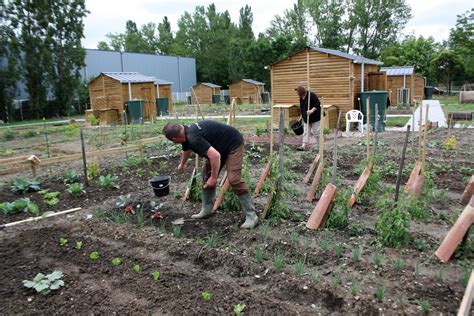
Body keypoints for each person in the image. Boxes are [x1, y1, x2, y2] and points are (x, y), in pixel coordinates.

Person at [162, 120, 258, 229]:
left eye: (173, 141)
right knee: (206, 176)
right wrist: (182, 164)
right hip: (219, 147)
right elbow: (186, 148)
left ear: (175, 139)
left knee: (234, 179)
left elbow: (215, 156)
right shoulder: (185, 132)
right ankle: (207, 209)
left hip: (233, 144)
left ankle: (252, 216)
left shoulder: (193, 137)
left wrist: (213, 178)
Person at [295, 86, 321, 151]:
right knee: (306, 132)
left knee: (316, 132)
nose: (297, 94)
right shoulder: (301, 98)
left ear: (301, 92)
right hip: (306, 117)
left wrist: (311, 111)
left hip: (315, 117)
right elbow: (302, 108)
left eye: (298, 92)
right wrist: (301, 117)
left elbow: (317, 104)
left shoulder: (311, 95)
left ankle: (320, 145)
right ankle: (304, 146)